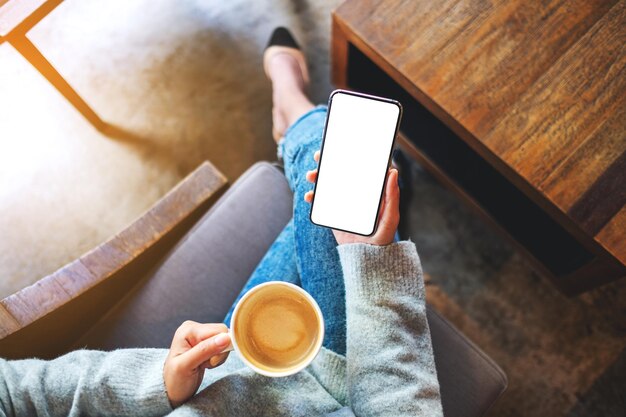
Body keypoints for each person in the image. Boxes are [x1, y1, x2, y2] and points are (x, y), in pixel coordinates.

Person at [0, 28, 443, 417]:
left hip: (227, 381)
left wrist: (157, 386)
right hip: (343, 389)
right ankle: (290, 110)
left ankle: (290, 110)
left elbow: (21, 394)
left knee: (336, 184)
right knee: (339, 171)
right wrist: (375, 268)